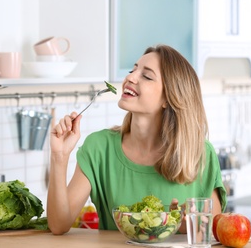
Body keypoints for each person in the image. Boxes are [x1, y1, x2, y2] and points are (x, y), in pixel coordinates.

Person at [47, 44, 227, 235]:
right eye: (133, 70)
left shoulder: (200, 154)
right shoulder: (99, 149)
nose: (130, 78)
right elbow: (59, 225)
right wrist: (59, 156)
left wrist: (184, 227)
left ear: (169, 98)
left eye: (146, 76)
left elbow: (212, 233)